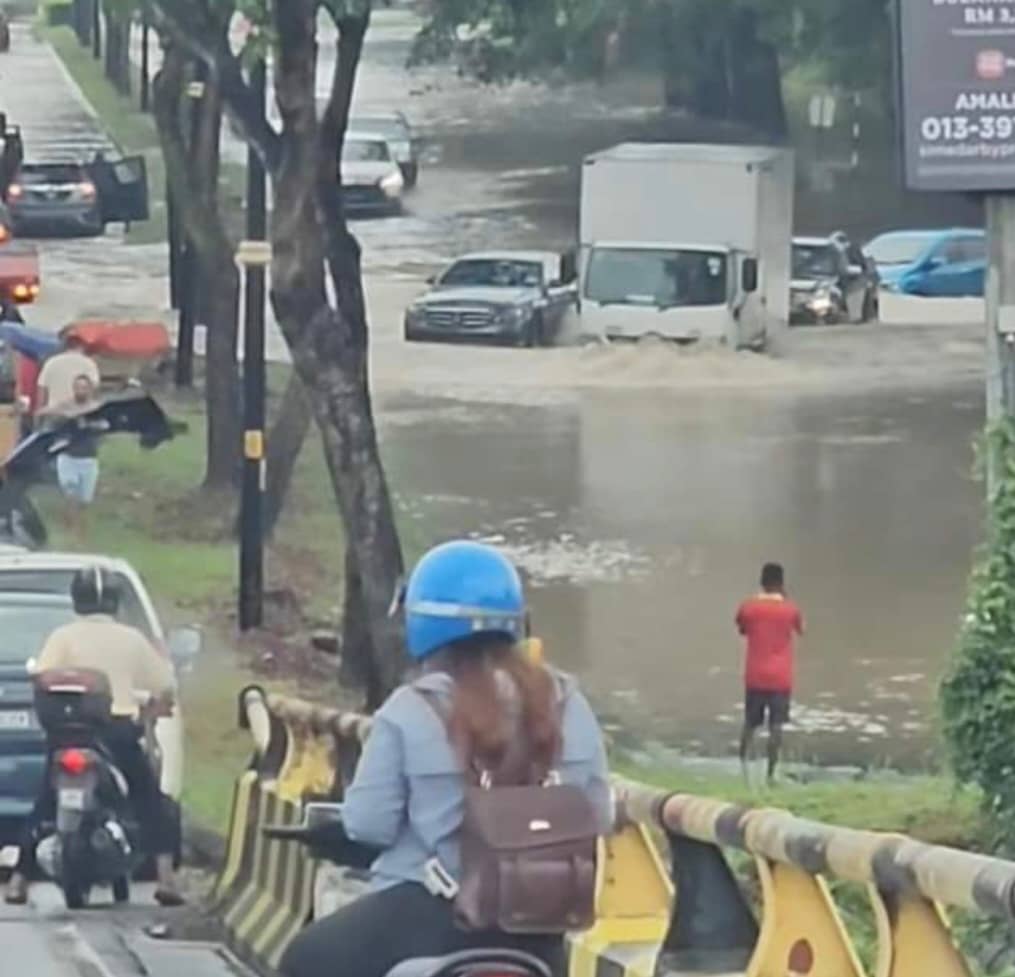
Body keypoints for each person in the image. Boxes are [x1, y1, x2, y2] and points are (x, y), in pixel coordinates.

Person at [280, 540, 612, 977]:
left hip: (431, 915)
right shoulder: (568, 702)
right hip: (539, 930)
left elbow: (368, 823)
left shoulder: (410, 708)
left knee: (304, 959)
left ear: (422, 621)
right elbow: (600, 816)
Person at [5, 567, 184, 906]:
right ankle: (167, 878)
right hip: (117, 733)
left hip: (67, 734)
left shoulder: (63, 637)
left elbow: (41, 675)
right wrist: (152, 709)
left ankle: (18, 879)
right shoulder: (132, 639)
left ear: (77, 600)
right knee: (151, 799)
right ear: (114, 601)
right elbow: (165, 686)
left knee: (45, 801)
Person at [735, 562, 804, 785]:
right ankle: (771, 774)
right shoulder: (791, 609)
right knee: (776, 726)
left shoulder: (748, 607)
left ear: (761, 582)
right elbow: (800, 630)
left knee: (750, 723)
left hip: (755, 675)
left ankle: (742, 765)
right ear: (781, 583)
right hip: (780, 678)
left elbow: (742, 629)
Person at [38, 374, 104, 538]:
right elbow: (42, 413)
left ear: (90, 389)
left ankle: (73, 523)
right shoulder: (65, 406)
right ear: (73, 389)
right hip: (68, 457)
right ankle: (77, 533)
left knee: (84, 500)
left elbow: (105, 427)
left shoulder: (97, 409)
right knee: (71, 494)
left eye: (84, 387)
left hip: (89, 459)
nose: (81, 391)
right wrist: (58, 418)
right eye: (77, 387)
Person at [36, 329, 100, 414]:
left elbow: (42, 391)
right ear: (81, 345)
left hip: (55, 413)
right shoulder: (89, 364)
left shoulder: (51, 363)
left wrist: (41, 411)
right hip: (80, 413)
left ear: (65, 346)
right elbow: (94, 390)